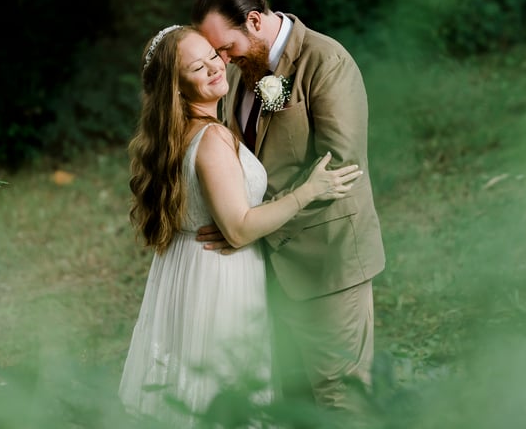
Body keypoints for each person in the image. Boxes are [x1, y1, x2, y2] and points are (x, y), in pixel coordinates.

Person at [118, 24, 363, 427]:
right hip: (219, 276)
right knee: (222, 392)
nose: (217, 67)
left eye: (214, 55)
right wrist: (308, 191)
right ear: (177, 89)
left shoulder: (177, 133)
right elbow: (238, 229)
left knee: (189, 391)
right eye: (199, 66)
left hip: (189, 269)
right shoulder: (212, 138)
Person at [191, 0, 386, 413]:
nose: (220, 61)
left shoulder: (325, 61)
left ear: (255, 21)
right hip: (270, 276)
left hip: (327, 264)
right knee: (294, 405)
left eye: (224, 48)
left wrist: (248, 227)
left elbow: (340, 166)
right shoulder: (242, 75)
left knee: (340, 398)